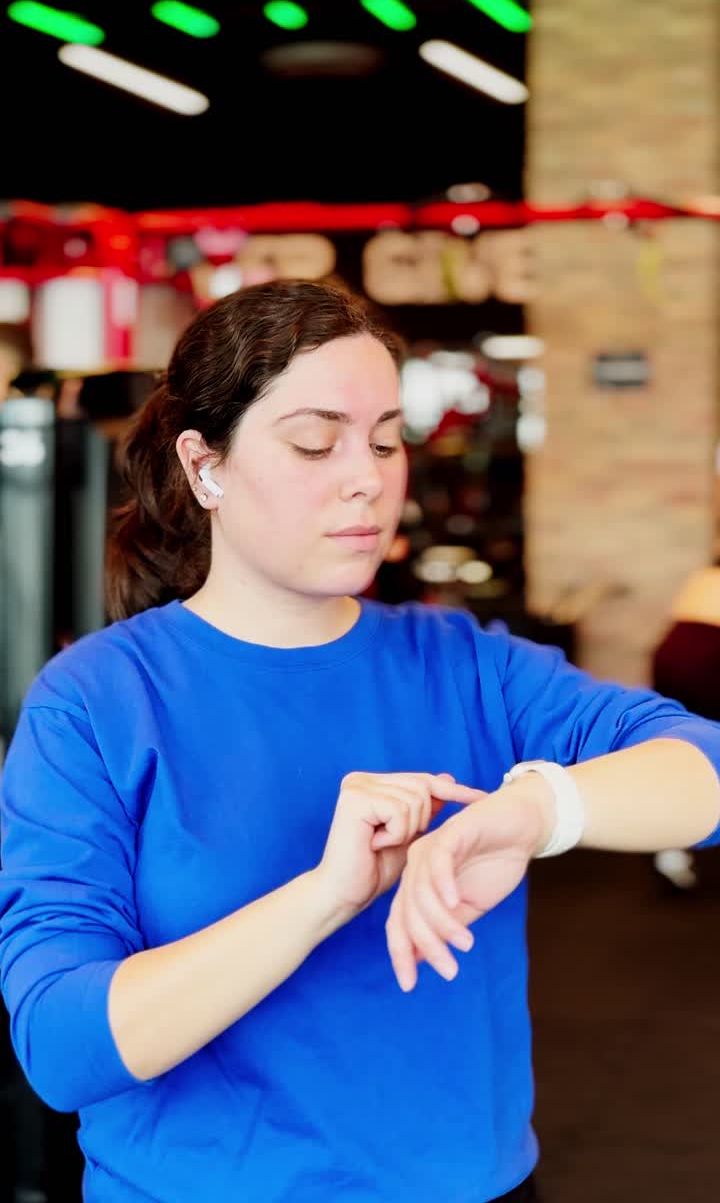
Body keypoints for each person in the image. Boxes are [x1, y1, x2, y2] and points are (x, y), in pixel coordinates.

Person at [1, 278, 719, 1203]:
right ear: (205, 465)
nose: (367, 476)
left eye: (386, 439)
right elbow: (63, 1048)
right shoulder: (98, 700)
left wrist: (539, 810)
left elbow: (704, 769)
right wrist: (324, 898)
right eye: (315, 441)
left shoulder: (463, 663)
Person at [650, 562, 720, 890]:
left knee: (684, 748)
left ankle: (670, 852)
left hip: (674, 653)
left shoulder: (704, 576)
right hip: (707, 658)